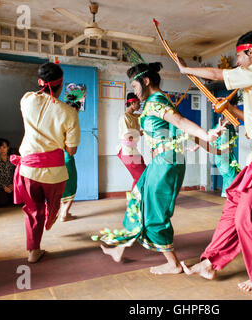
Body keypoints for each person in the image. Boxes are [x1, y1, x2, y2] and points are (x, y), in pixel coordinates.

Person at [174, 30, 252, 292]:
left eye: (239, 56)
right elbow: (248, 116)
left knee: (247, 219)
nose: (237, 62)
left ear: (251, 52)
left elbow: (217, 74)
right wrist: (226, 107)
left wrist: (185, 69)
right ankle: (209, 263)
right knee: (232, 212)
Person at [92, 62, 226, 275]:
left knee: (154, 212)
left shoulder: (155, 103)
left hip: (166, 162)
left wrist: (206, 136)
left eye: (135, 86)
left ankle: (173, 264)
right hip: (162, 161)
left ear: (146, 81)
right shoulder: (159, 101)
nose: (135, 92)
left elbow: (181, 123)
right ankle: (120, 249)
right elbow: (177, 130)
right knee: (138, 200)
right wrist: (206, 143)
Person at [11, 62, 80, 263]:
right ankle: (53, 213)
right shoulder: (69, 112)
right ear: (61, 84)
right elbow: (71, 150)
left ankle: (33, 251)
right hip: (54, 174)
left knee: (33, 210)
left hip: (28, 170)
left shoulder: (27, 100)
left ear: (40, 82)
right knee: (52, 204)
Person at [58, 86, 85, 222]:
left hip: (56, 157)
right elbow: (71, 149)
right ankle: (64, 213)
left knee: (60, 185)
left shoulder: (58, 118)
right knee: (72, 185)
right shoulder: (73, 119)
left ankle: (60, 212)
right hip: (67, 157)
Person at [117, 92, 146, 190]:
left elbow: (145, 115)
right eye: (138, 103)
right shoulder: (124, 117)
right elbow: (128, 137)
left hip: (133, 149)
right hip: (127, 151)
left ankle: (135, 201)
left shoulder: (135, 116)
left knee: (143, 175)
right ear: (132, 103)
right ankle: (133, 202)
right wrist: (141, 132)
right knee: (141, 177)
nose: (139, 105)